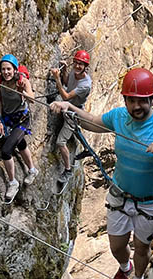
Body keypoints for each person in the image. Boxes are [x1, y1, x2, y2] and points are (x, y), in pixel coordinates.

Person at [49, 68, 153, 279]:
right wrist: (70, 108)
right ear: (125, 100)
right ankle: (124, 268)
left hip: (152, 201)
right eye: (131, 100)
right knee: (116, 245)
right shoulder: (118, 117)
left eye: (141, 101)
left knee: (141, 246)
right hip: (121, 195)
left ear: (151, 99)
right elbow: (95, 123)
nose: (136, 106)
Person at [0, 54, 38, 201]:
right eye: (3, 69)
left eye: (9, 69)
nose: (6, 72)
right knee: (20, 143)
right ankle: (32, 170)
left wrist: (22, 92)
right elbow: (0, 102)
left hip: (22, 119)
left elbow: (32, 99)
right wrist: (0, 120)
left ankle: (13, 183)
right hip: (8, 119)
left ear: (15, 69)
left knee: (6, 151)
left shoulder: (22, 81)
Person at [49, 50, 93, 185]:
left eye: (81, 64)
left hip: (73, 112)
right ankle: (88, 149)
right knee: (75, 131)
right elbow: (68, 82)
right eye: (76, 63)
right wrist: (64, 71)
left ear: (86, 66)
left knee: (60, 142)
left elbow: (66, 97)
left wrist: (57, 79)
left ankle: (67, 170)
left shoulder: (86, 84)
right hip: (70, 108)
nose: (78, 66)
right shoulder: (75, 72)